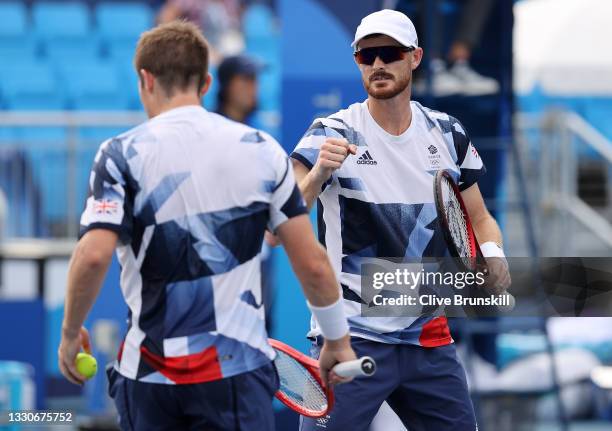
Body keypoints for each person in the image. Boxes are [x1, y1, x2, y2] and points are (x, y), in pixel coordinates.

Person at [57, 21, 356, 430]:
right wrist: (338, 341)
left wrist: (71, 333)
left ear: (145, 79)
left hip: (147, 380)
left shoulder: (117, 155)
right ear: (206, 82)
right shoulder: (261, 150)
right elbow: (314, 265)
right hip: (235, 376)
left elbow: (92, 257)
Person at [289, 10, 510, 431]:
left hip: (427, 334)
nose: (377, 64)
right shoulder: (330, 131)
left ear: (415, 57)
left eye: (388, 53)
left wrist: (495, 257)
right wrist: (317, 175)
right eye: (365, 55)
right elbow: (282, 221)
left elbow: (480, 219)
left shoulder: (447, 133)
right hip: (350, 338)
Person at [215, 54, 261, 125]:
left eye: (255, 79)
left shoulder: (258, 126)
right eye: (247, 78)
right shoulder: (209, 127)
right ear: (227, 85)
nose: (254, 86)